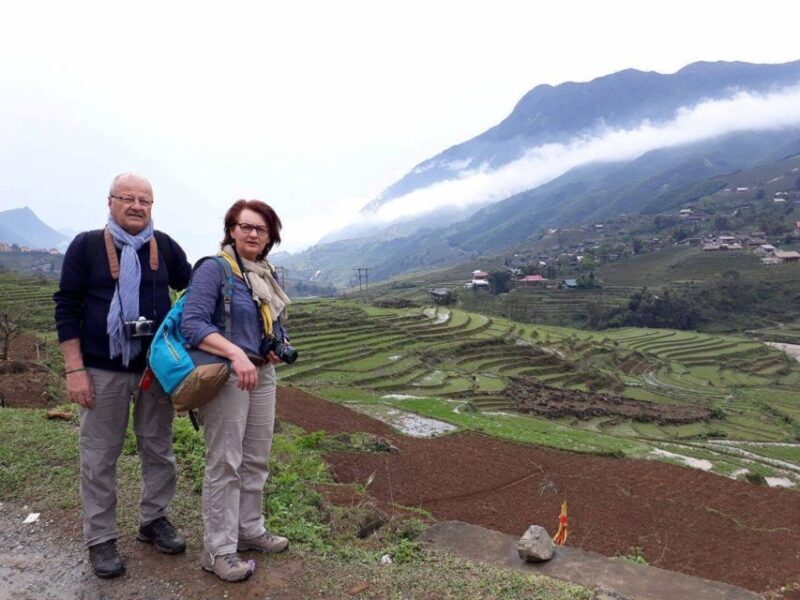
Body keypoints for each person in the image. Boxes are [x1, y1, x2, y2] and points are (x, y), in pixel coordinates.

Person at [54, 173, 192, 578]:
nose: (136, 206)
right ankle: (100, 539)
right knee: (99, 456)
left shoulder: (164, 246)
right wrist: (74, 368)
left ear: (152, 206)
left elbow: (193, 289)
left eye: (144, 200)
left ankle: (154, 520)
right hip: (101, 368)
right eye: (127, 198)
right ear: (110, 201)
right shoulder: (85, 246)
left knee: (158, 448)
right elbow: (66, 307)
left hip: (153, 370)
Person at [181, 199, 291, 582]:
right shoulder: (214, 269)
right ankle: (219, 550)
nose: (253, 234)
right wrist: (235, 355)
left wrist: (274, 345)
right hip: (228, 375)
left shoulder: (264, 273)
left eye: (261, 229)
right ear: (231, 230)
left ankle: (249, 530)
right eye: (246, 226)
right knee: (225, 462)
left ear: (269, 237)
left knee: (256, 457)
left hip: (261, 375)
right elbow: (192, 324)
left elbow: (270, 323)